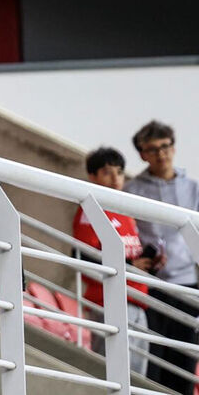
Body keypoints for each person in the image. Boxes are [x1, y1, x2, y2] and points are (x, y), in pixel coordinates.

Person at [124, 121, 199, 394]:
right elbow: (124, 234)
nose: (161, 154)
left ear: (173, 147)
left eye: (165, 146)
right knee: (154, 358)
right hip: (152, 286)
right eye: (153, 149)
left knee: (185, 359)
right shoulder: (132, 190)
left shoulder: (193, 188)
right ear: (143, 154)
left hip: (188, 285)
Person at [72, 147, 151, 375]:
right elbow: (85, 258)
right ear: (93, 176)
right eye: (107, 172)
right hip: (110, 300)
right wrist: (129, 267)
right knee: (114, 372)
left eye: (120, 172)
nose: (116, 178)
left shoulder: (124, 211)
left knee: (136, 376)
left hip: (137, 300)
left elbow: (129, 253)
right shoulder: (92, 211)